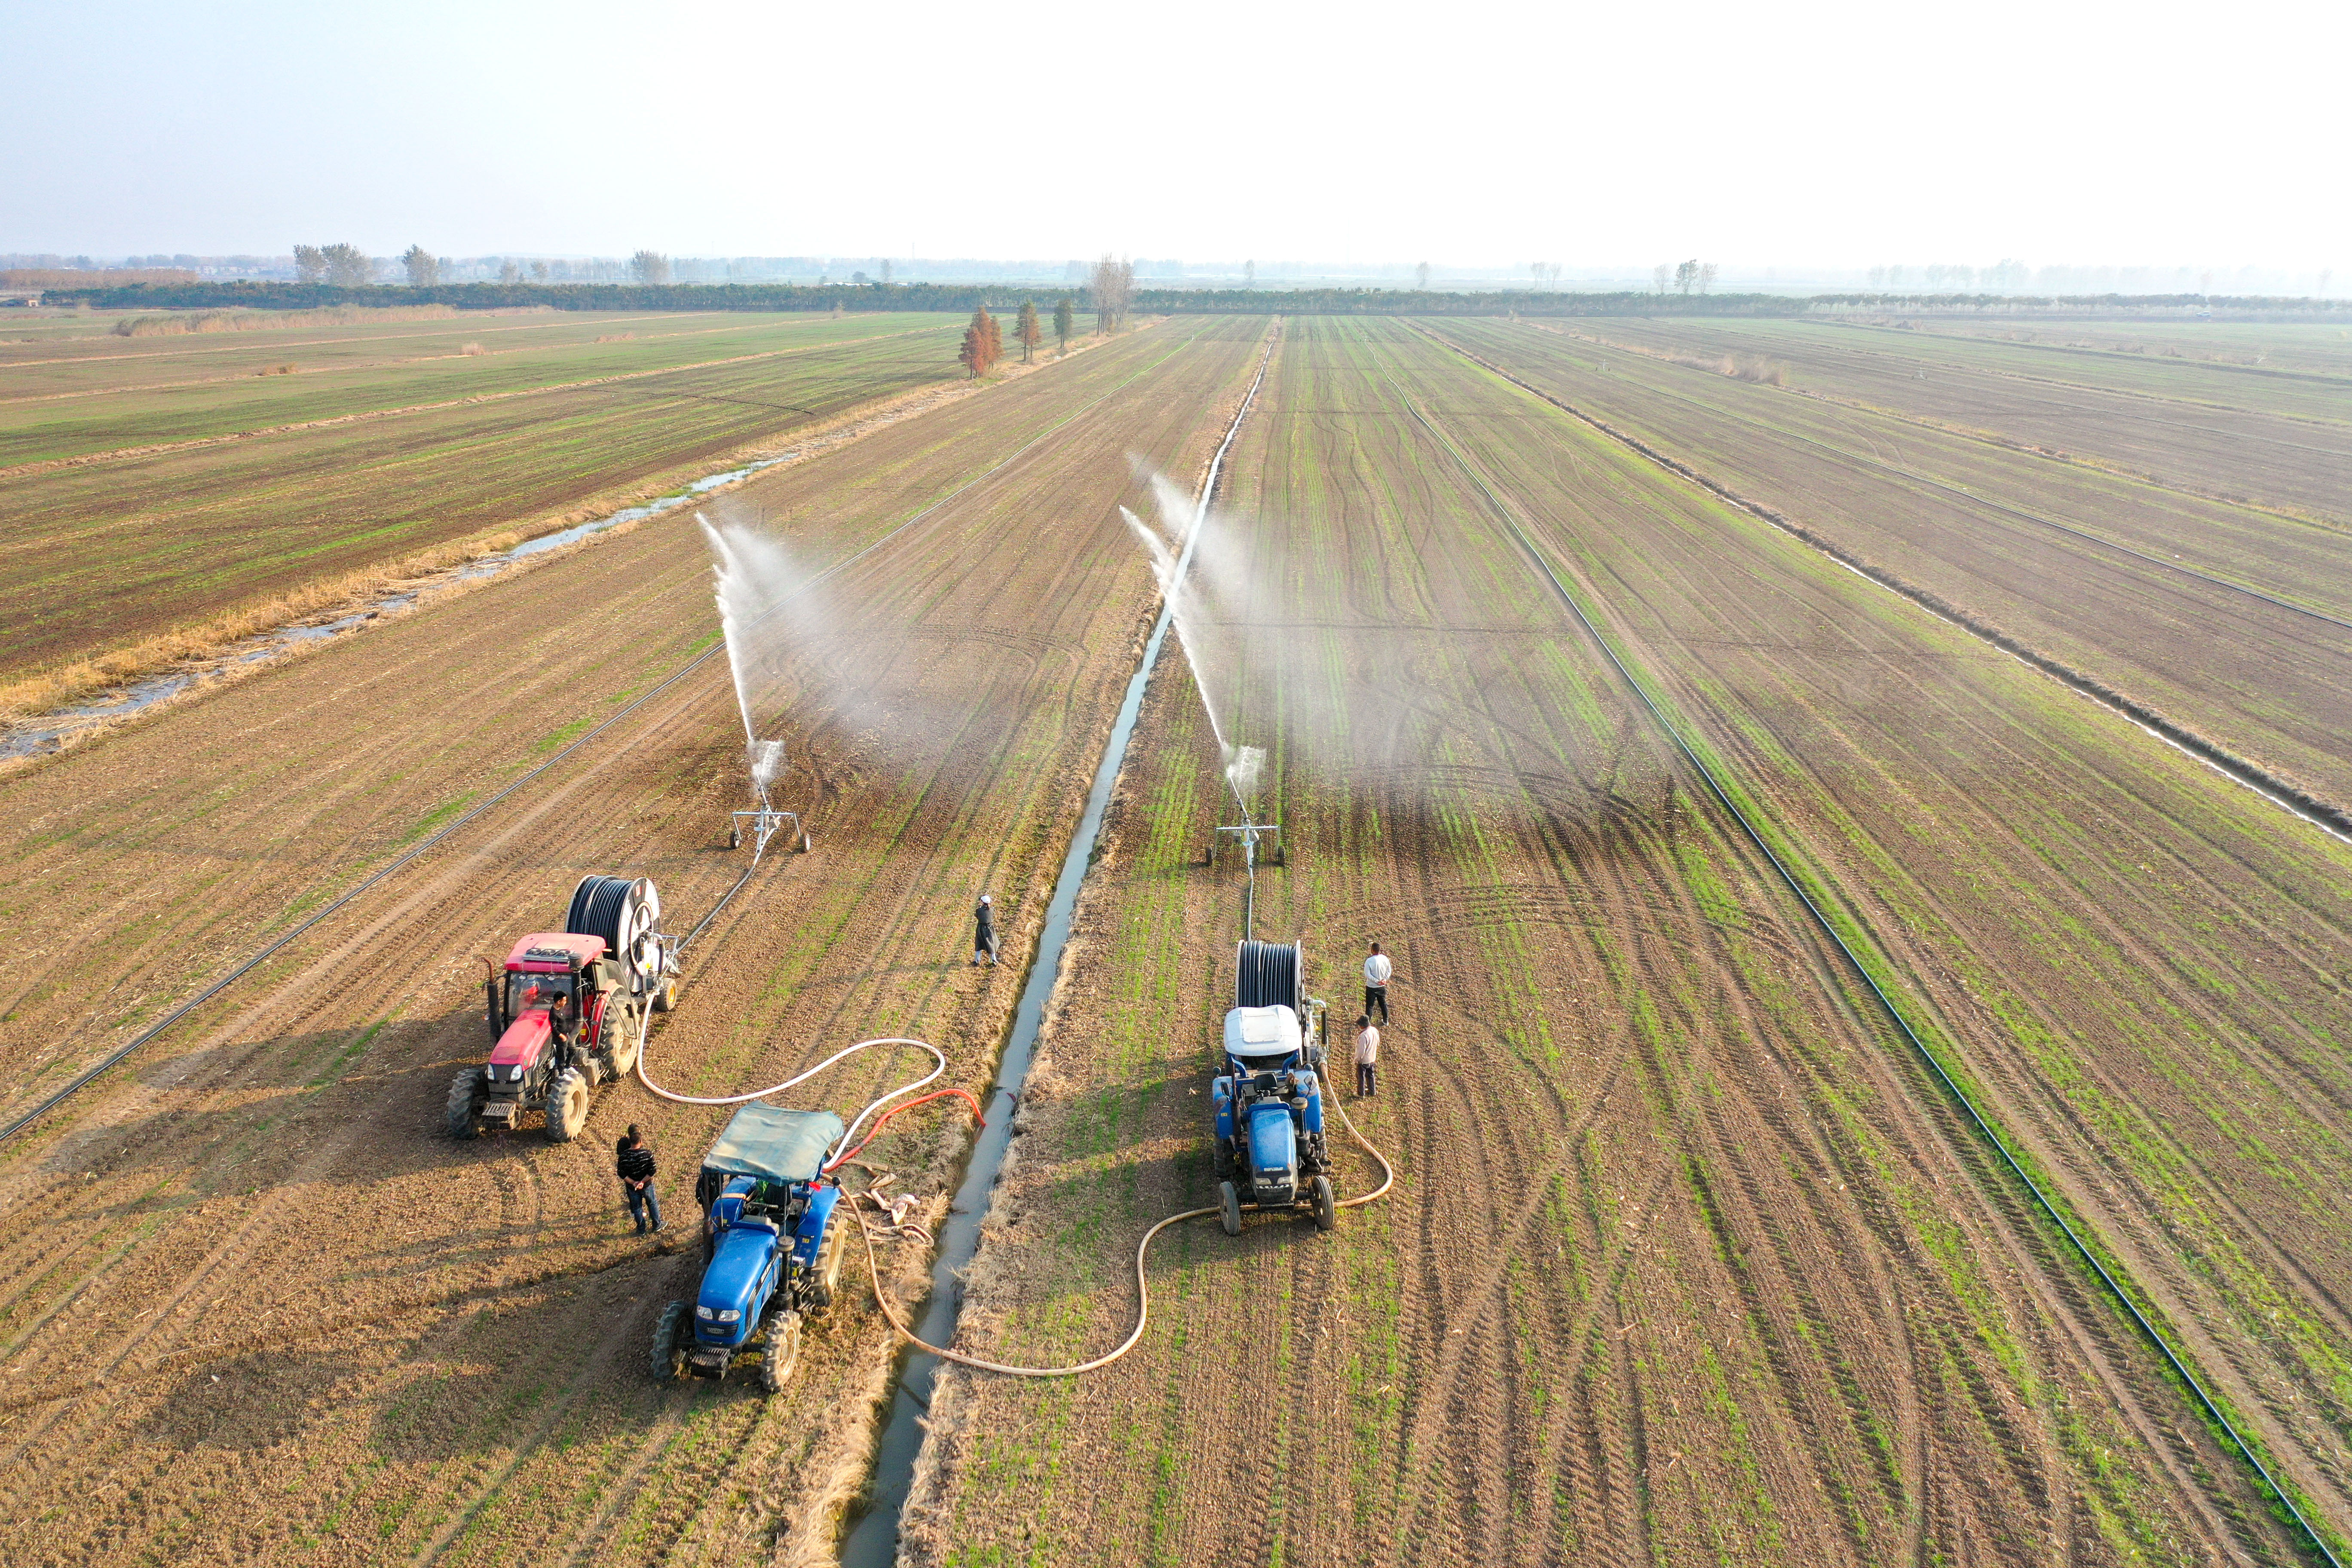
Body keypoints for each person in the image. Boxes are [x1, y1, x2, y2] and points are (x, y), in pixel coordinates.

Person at [617, 1125, 662, 1234]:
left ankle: (641, 1230)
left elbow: (621, 1173)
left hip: (632, 1187)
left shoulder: (623, 1156)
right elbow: (652, 1171)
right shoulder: (647, 1154)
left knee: (637, 1208)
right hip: (647, 1185)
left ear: (630, 1142)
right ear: (641, 1141)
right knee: (652, 1204)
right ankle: (657, 1225)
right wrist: (642, 1182)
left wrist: (634, 1183)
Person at [1362, 941, 1393, 1024]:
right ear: (1379, 950)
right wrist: (1385, 979)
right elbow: (1389, 970)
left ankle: (1367, 1023)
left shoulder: (1369, 961)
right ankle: (1386, 1021)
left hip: (1371, 987)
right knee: (1383, 1004)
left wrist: (1377, 981)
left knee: (1370, 1006)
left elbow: (1367, 975)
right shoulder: (1385, 959)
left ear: (1372, 950)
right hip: (1381, 987)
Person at [1353, 1014, 1379, 1097]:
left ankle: (1361, 1093)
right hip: (1372, 1058)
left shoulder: (1364, 1036)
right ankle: (1372, 1091)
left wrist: (1357, 1060)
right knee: (1371, 1075)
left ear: (1363, 1026)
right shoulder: (1374, 1030)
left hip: (1364, 1060)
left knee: (1361, 1077)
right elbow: (1378, 1043)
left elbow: (1361, 1051)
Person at [972, 893, 999, 967]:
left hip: (981, 929)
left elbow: (978, 915)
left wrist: (980, 907)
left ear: (983, 902)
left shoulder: (979, 911)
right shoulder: (992, 910)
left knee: (979, 945)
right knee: (991, 944)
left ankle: (977, 961)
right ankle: (994, 960)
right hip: (990, 929)